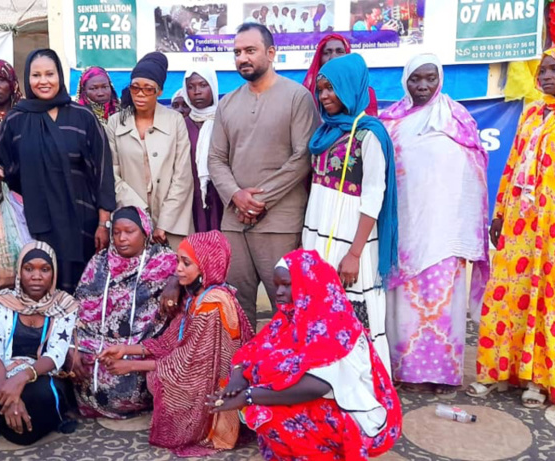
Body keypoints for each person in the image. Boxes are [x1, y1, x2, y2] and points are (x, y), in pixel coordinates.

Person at [470, 44, 555, 408]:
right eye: (542, 70)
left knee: (551, 301)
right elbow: (513, 162)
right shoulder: (532, 113)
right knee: (507, 296)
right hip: (520, 223)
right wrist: (500, 213)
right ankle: (498, 371)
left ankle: (539, 380)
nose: (544, 76)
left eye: (552, 70)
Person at [209, 249, 401, 460]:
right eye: (277, 285)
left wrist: (248, 396)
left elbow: (318, 386)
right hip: (322, 399)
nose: (279, 292)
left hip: (346, 411)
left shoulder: (335, 326)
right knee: (262, 396)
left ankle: (321, 453)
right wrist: (238, 377)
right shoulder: (292, 317)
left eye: (286, 284)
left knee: (270, 413)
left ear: (309, 283)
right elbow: (256, 351)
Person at [380, 54, 489, 395]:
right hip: (406, 230)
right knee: (404, 307)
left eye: (429, 78)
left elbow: (475, 172)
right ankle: (405, 371)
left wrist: (464, 224)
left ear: (439, 78)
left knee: (443, 304)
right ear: (405, 81)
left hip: (445, 232)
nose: (423, 85)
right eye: (415, 79)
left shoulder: (457, 119)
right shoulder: (390, 122)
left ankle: (443, 375)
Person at [98, 231, 254, 456]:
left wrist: (131, 365)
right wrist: (127, 350)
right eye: (178, 261)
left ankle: (208, 427)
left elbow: (188, 363)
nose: (178, 269)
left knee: (163, 377)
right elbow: (171, 340)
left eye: (186, 263)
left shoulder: (213, 303)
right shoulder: (198, 296)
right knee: (155, 363)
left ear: (206, 265)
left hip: (215, 384)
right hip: (199, 370)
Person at [209, 23, 319, 325]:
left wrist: (258, 200)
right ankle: (242, 371)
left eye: (250, 51)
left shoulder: (297, 97)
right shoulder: (228, 103)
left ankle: (286, 371)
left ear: (271, 53)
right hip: (234, 221)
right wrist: (236, 196)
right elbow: (216, 158)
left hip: (279, 222)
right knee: (236, 309)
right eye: (237, 52)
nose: (243, 58)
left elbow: (303, 157)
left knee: (285, 306)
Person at [0, 49, 116, 293]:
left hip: (82, 226)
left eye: (50, 73)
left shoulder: (83, 117)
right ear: (28, 78)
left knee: (83, 293)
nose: (43, 81)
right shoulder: (15, 120)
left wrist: (104, 223)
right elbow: (4, 168)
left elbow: (102, 173)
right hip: (34, 226)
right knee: (40, 291)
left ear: (60, 75)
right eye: (36, 75)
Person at [302, 53, 398, 374]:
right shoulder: (324, 132)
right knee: (320, 307)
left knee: (355, 309)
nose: (326, 96)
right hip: (318, 232)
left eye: (333, 88)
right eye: (322, 88)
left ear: (351, 87)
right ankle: (328, 381)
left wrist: (354, 254)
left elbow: (374, 196)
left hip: (349, 239)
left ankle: (366, 385)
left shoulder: (369, 134)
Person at [72, 207, 178, 418]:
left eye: (129, 231)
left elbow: (194, 267)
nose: (122, 238)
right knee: (76, 363)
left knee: (131, 374)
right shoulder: (99, 262)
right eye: (117, 232)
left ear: (145, 232)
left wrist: (174, 281)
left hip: (139, 349)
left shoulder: (163, 261)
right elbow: (80, 312)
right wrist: (74, 349)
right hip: (96, 348)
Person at [0, 241, 79, 445]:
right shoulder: (1, 303)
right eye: (29, 269)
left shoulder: (64, 304)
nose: (36, 276)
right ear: (19, 272)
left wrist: (22, 378)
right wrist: (6, 392)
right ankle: (37, 423)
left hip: (43, 375)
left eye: (44, 269)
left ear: (54, 273)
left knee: (42, 396)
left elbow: (56, 355)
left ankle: (8, 426)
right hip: (5, 375)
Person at [107, 52, 194, 249]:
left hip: (172, 224)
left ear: (160, 91)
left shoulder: (175, 121)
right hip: (130, 223)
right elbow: (111, 174)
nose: (140, 94)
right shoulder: (115, 122)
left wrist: (164, 223)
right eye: (136, 88)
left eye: (148, 89)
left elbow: (182, 176)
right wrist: (139, 215)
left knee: (174, 274)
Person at [182, 67, 224, 232]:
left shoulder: (225, 120)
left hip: (222, 198)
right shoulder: (181, 125)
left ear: (212, 87)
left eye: (203, 85)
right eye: (191, 87)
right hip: (192, 200)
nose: (197, 92)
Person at [302, 33, 379, 116]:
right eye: (327, 52)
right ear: (319, 58)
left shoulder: (363, 94)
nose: (333, 57)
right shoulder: (308, 92)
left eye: (339, 51)